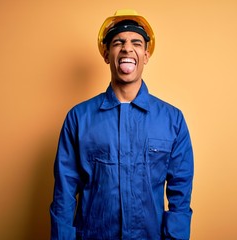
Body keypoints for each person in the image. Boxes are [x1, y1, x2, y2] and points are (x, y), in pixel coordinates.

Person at [50, 9, 194, 240]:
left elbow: (180, 196)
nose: (127, 48)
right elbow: (64, 193)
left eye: (136, 42)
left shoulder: (172, 120)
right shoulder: (78, 118)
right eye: (118, 42)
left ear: (146, 55)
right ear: (107, 54)